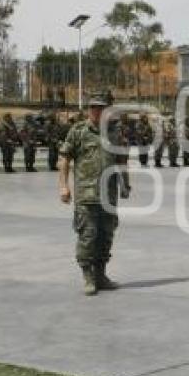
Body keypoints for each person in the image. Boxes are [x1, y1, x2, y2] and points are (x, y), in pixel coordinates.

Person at [58, 91, 131, 296]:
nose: (97, 111)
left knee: (106, 235)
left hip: (108, 194)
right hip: (86, 195)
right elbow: (64, 159)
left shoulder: (116, 133)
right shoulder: (78, 131)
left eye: (101, 107)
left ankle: (101, 275)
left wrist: (125, 184)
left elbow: (122, 161)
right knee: (88, 235)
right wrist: (63, 186)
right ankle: (88, 276)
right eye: (94, 107)